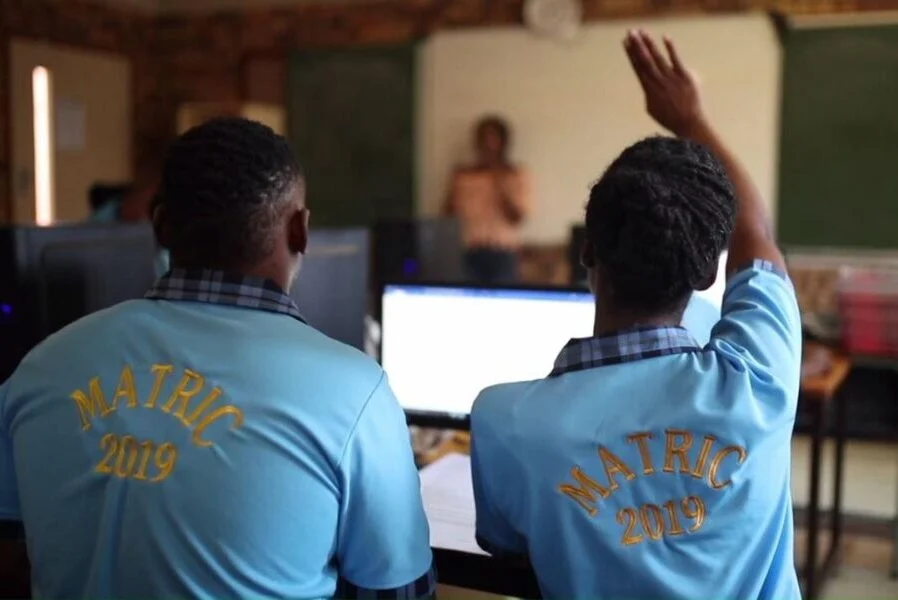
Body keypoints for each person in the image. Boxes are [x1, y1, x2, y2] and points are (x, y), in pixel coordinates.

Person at [0, 118, 435, 599]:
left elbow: (13, 552)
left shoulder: (43, 365)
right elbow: (398, 592)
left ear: (160, 225)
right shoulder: (356, 391)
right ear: (300, 231)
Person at [469, 30, 801, 600]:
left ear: (588, 252)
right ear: (705, 277)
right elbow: (756, 234)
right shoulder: (758, 376)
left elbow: (511, 547)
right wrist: (691, 119)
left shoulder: (504, 419)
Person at [444, 115, 531, 283]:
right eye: (482, 138)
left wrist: (497, 179)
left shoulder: (516, 175)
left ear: (503, 142)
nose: (487, 144)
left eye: (492, 138)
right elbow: (447, 216)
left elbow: (517, 217)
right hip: (468, 252)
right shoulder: (463, 176)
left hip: (502, 253)